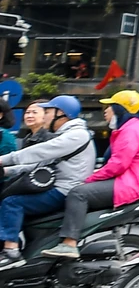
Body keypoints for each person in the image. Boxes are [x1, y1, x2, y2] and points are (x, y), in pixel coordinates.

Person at [38, 90, 139, 261]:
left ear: (119, 109)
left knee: (78, 193)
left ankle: (69, 243)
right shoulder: (130, 128)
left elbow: (118, 164)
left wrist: (89, 179)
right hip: (134, 181)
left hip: (132, 183)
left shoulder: (130, 130)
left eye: (109, 106)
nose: (105, 110)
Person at [0, 96, 95, 267]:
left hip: (63, 190)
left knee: (12, 203)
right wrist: (6, 170)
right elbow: (37, 165)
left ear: (62, 114)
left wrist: (3, 160)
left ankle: (11, 252)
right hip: (57, 187)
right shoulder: (67, 134)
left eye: (48, 111)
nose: (45, 116)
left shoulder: (76, 135)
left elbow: (39, 152)